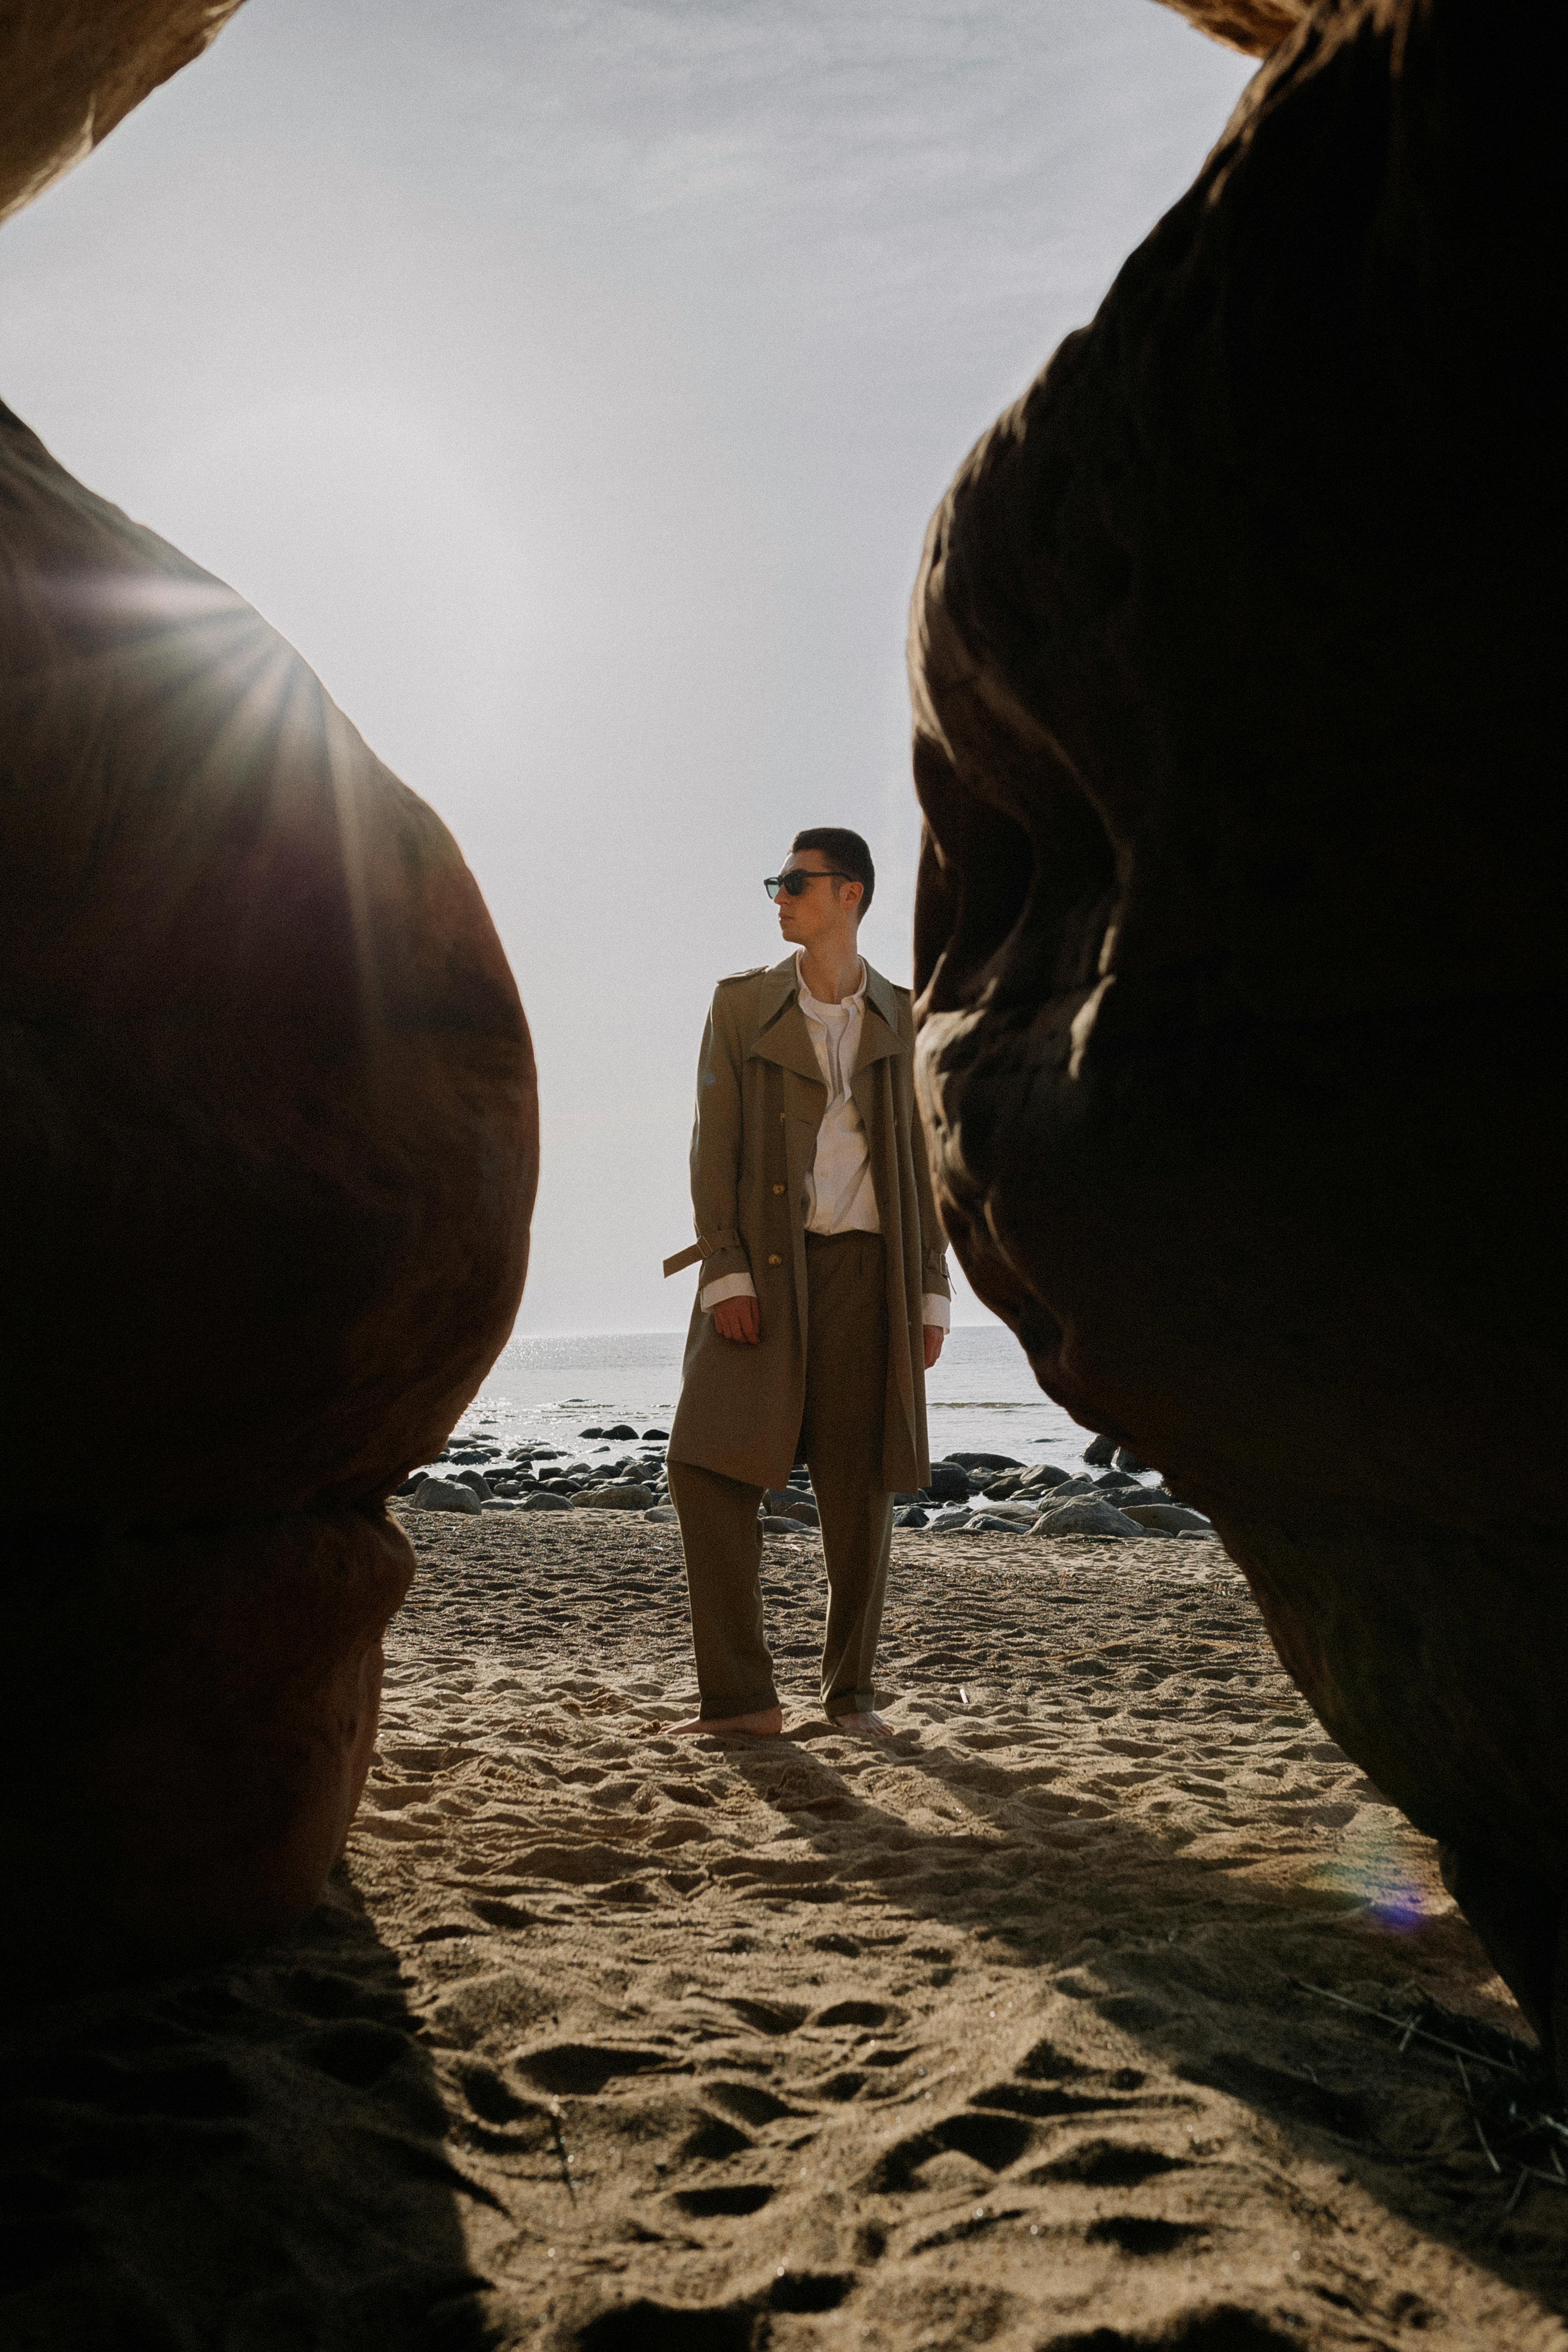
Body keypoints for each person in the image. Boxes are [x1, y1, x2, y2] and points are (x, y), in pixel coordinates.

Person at [661, 827, 952, 1738]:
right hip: (762, 1271)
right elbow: (714, 1148)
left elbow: (930, 1163)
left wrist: (932, 1292)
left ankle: (851, 1696)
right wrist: (726, 1269)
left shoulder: (908, 1017)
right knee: (705, 1468)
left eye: (796, 882)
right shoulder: (742, 1006)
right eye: (776, 883)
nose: (779, 896)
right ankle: (743, 1702)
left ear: (850, 895)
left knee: (859, 1490)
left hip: (872, 1277)